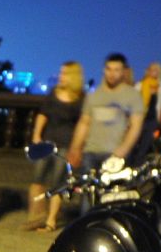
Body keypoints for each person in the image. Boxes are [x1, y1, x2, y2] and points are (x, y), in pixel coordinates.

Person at [53, 53, 145, 229]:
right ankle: (86, 228)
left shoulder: (132, 96)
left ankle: (108, 229)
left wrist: (122, 152)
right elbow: (84, 123)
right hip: (91, 151)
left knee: (114, 197)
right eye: (109, 69)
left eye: (117, 70)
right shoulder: (94, 96)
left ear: (123, 72)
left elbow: (135, 126)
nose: (112, 74)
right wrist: (75, 148)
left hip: (115, 154)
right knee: (88, 194)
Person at [24, 61, 85, 229]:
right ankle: (35, 215)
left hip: (66, 145)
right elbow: (43, 115)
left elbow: (83, 123)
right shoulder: (53, 94)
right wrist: (37, 134)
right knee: (37, 179)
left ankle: (51, 220)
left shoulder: (80, 98)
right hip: (47, 142)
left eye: (64, 73)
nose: (61, 76)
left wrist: (77, 148)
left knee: (58, 183)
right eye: (61, 72)